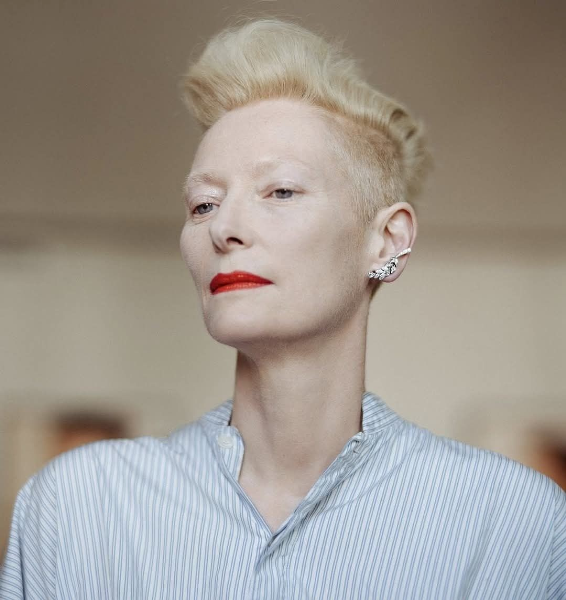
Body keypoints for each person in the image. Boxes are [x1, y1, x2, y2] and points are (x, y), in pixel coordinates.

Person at [1, 17, 564, 600]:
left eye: (281, 191)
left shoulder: (512, 521)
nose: (224, 227)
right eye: (203, 204)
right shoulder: (77, 506)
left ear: (387, 241)